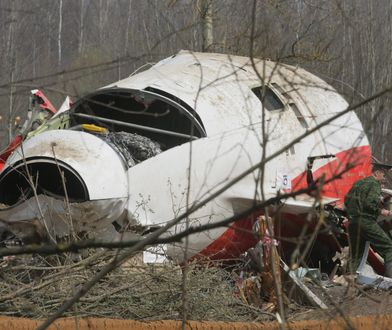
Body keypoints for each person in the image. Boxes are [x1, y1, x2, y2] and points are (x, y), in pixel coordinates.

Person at [344, 163, 392, 276]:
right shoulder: (374, 184)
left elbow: (346, 201)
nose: (384, 178)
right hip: (366, 222)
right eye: (384, 175)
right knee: (389, 247)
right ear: (377, 173)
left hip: (352, 223)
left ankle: (351, 280)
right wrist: (382, 211)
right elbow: (368, 204)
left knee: (356, 254)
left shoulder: (358, 183)